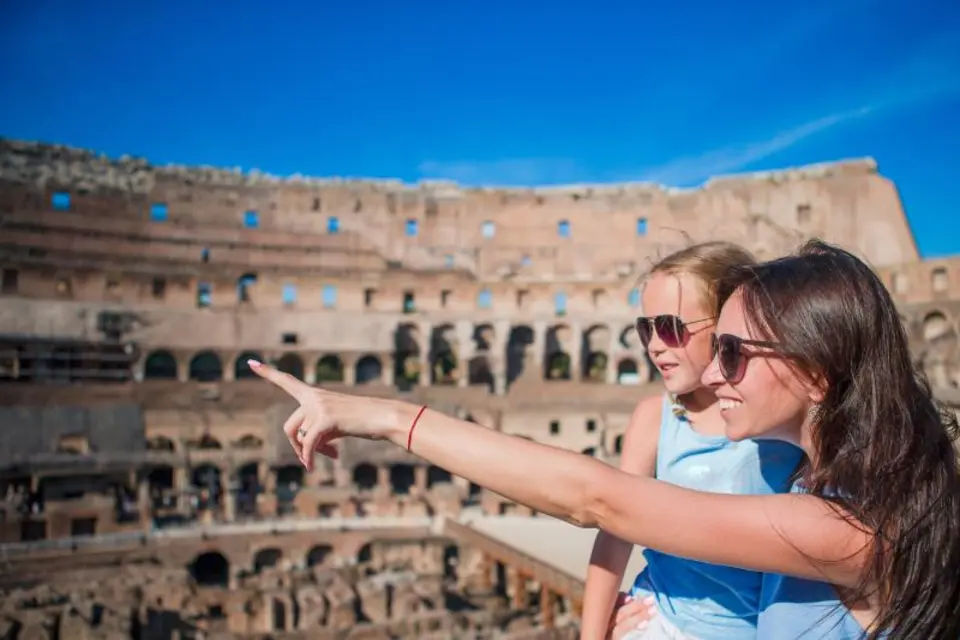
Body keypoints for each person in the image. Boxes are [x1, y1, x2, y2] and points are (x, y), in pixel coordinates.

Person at [249, 240, 960, 639]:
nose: (713, 371)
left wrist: (385, 418)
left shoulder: (850, 529)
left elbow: (598, 500)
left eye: (734, 352)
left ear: (816, 374)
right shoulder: (832, 488)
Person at [581, 243, 802, 640]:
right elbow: (614, 531)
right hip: (658, 621)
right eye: (646, 329)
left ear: (727, 324)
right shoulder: (654, 418)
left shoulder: (779, 423)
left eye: (670, 327)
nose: (654, 345)